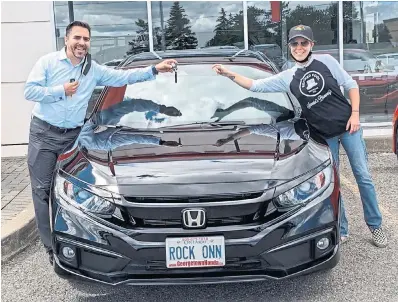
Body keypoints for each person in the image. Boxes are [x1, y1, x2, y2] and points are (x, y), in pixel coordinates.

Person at [211, 24, 388, 248]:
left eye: (304, 43)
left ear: (311, 45)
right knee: (334, 184)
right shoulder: (288, 77)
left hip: (348, 128)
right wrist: (229, 74)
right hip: (324, 136)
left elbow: (351, 85)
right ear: (290, 47)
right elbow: (256, 86)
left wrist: (355, 114)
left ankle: (376, 226)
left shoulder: (328, 62)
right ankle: (341, 229)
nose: (299, 47)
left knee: (363, 178)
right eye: (295, 43)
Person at [24, 21, 178, 265]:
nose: (82, 43)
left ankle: (80, 237)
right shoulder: (48, 63)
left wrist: (155, 70)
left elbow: (123, 77)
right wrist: (61, 90)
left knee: (74, 187)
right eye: (77, 38)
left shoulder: (93, 70)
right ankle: (50, 248)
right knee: (42, 191)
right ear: (66, 40)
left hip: (73, 136)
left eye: (86, 39)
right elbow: (30, 91)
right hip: (44, 133)